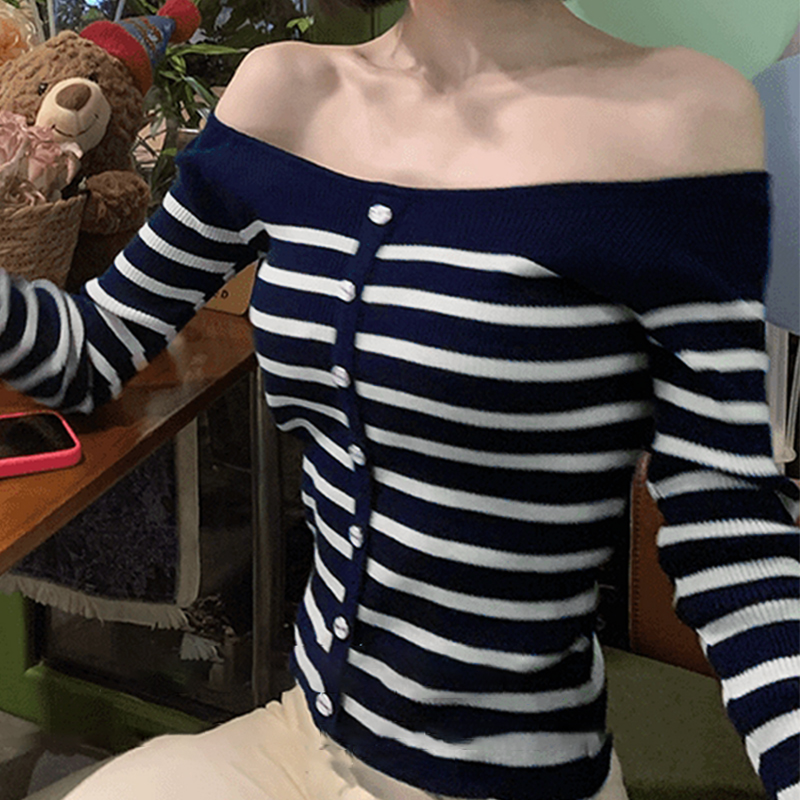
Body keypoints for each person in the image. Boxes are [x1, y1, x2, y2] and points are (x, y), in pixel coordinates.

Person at [1, 0, 798, 798]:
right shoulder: (285, 91)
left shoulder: (680, 118)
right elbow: (88, 350)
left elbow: (726, 526)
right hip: (305, 742)